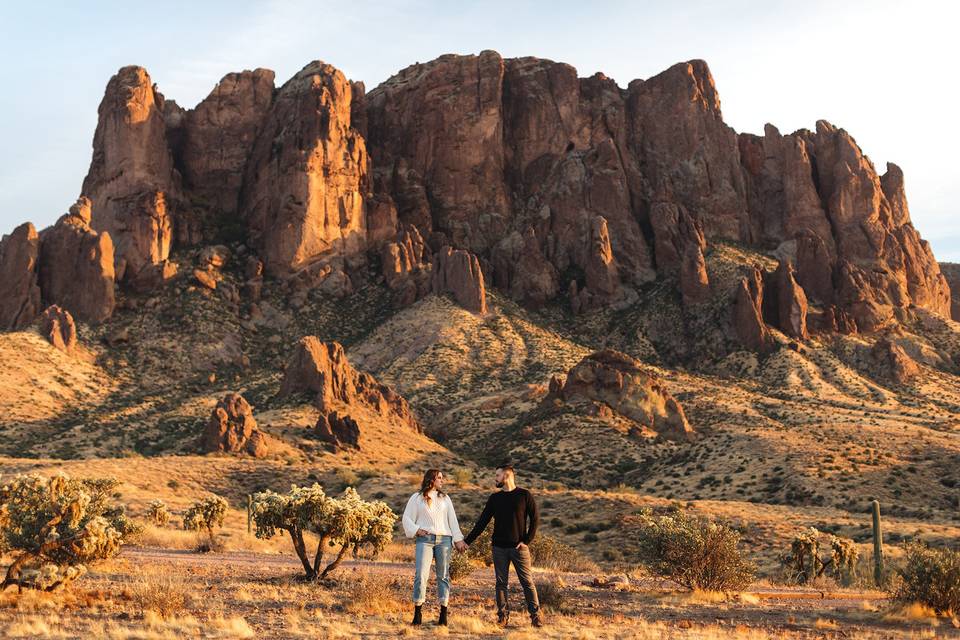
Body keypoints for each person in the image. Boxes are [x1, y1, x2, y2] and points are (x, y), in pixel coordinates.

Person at [463, 464, 543, 628]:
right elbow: (482, 522)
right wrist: (467, 541)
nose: (495, 478)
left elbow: (535, 519)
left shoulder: (524, 495)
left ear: (507, 476)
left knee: (527, 581)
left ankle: (535, 616)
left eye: (498, 475)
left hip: (519, 548)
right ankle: (502, 617)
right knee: (501, 583)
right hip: (498, 547)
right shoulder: (495, 498)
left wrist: (526, 541)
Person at [401, 469, 468, 626]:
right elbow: (406, 518)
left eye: (442, 478)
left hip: (444, 540)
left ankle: (443, 615)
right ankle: (418, 614)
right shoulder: (416, 498)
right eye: (439, 478)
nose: (442, 480)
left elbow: (452, 520)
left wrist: (458, 539)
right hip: (425, 540)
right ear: (431, 479)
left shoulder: (445, 498)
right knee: (421, 575)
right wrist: (417, 529)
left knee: (443, 576)